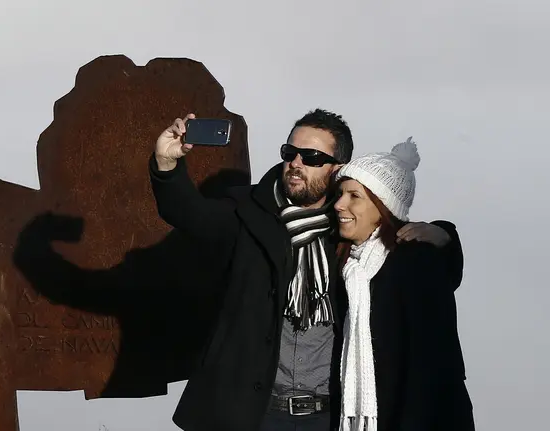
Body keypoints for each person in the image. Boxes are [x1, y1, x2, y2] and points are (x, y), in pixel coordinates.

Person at [149, 110, 464, 431]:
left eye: (312, 157)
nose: (296, 163)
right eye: (290, 153)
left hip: (331, 413)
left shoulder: (353, 226)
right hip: (252, 412)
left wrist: (444, 235)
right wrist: (166, 164)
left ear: (338, 168)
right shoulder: (247, 212)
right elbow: (191, 214)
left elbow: (408, 254)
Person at [332, 139, 474, 431]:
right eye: (340, 193)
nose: (339, 204)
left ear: (383, 206)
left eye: (354, 196)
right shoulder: (348, 265)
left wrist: (446, 235)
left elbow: (433, 367)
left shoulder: (417, 262)